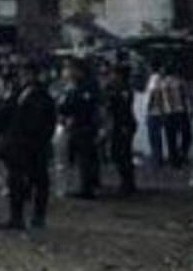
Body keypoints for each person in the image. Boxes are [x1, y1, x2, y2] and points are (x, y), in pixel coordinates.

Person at [0, 60, 57, 230]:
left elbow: (44, 122)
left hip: (33, 144)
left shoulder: (42, 96)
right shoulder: (18, 93)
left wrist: (37, 139)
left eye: (26, 73)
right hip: (18, 144)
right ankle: (17, 217)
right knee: (16, 181)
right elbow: (3, 113)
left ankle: (38, 216)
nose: (23, 77)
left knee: (39, 181)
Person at [58, 58, 102, 199]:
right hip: (75, 126)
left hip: (85, 126)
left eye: (70, 69)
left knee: (86, 158)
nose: (68, 72)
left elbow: (84, 106)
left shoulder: (88, 86)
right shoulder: (72, 86)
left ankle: (88, 188)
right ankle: (87, 185)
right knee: (81, 158)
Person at [104, 63, 137, 196]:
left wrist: (124, 126)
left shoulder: (124, 89)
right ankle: (126, 182)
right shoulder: (115, 88)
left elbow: (123, 109)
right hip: (118, 124)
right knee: (118, 153)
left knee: (122, 154)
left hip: (124, 124)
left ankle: (127, 183)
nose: (111, 76)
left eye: (114, 74)